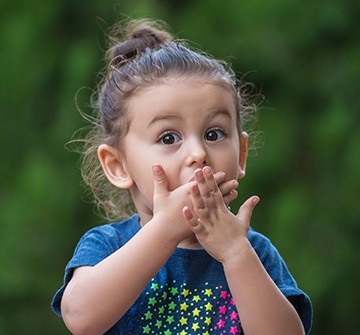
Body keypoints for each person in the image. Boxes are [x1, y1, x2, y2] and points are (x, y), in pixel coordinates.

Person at [52, 19, 312, 335]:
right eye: (168, 138)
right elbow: (81, 318)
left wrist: (235, 255)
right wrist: (165, 229)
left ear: (241, 154)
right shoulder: (108, 245)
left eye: (214, 133)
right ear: (118, 165)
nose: (198, 153)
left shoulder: (252, 252)